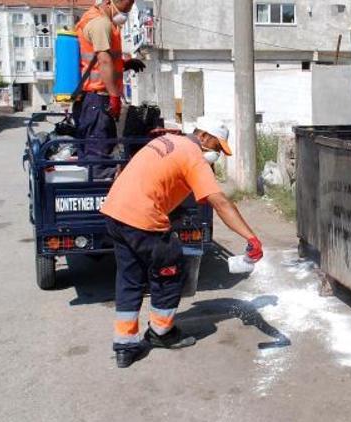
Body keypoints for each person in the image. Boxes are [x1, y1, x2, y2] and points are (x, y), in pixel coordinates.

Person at [100, 119, 264, 368]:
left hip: (115, 213)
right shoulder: (194, 156)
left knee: (129, 277)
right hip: (141, 219)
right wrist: (251, 237)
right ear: (205, 136)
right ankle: (161, 333)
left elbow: (148, 177)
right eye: (217, 148)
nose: (216, 154)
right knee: (170, 267)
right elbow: (220, 203)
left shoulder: (165, 140)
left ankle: (124, 345)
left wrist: (168, 211)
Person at [73, 0, 146, 179]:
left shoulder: (98, 21)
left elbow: (102, 61)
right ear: (108, 2)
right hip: (97, 99)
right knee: (99, 162)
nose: (125, 14)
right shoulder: (101, 24)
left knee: (92, 153)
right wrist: (114, 97)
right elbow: (104, 62)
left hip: (90, 99)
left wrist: (125, 64)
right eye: (123, 8)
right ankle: (100, 194)